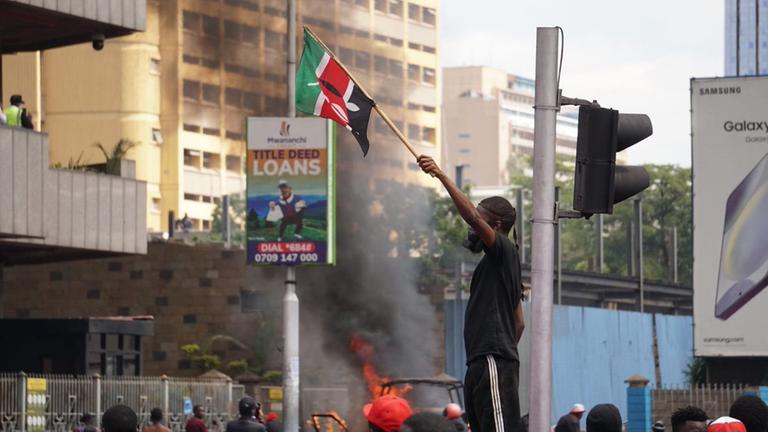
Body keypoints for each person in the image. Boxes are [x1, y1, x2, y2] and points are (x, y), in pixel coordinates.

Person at [417, 154, 524, 432]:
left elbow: (472, 216)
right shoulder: (499, 265)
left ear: (496, 226)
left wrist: (440, 175)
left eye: (479, 222)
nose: (471, 228)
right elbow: (519, 322)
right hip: (482, 360)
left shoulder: (503, 249)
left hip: (491, 359)